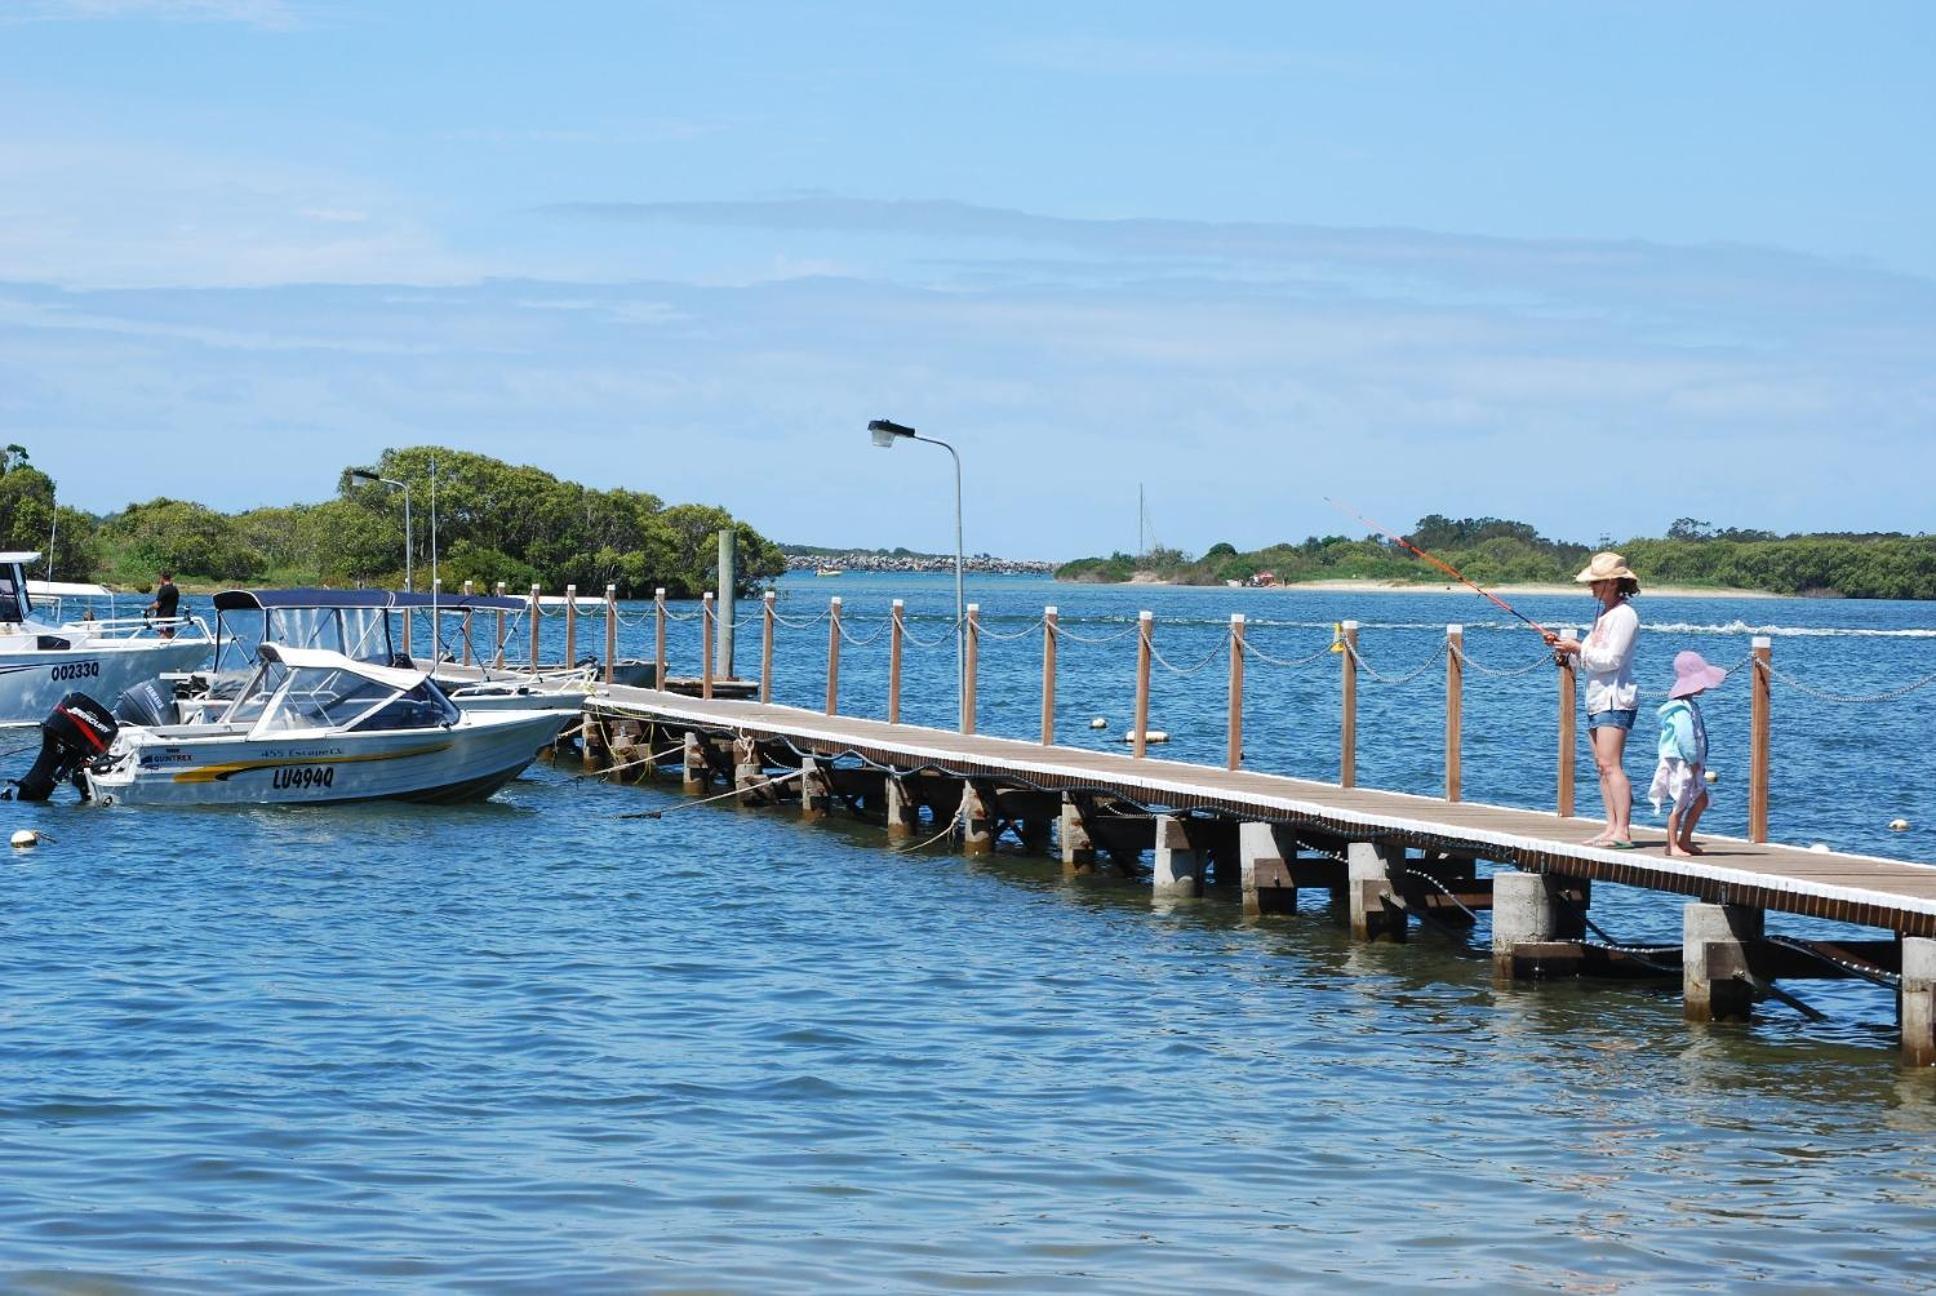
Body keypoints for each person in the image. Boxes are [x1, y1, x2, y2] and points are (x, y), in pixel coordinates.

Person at [1544, 552, 1641, 847]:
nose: (1591, 588)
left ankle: (1623, 830)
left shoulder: (1625, 615)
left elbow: (1611, 659)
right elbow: (1589, 658)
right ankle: (1611, 827)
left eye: (1596, 583)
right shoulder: (1603, 616)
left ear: (1612, 583)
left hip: (1615, 699)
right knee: (1601, 765)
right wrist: (1566, 651)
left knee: (1611, 764)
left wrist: (1577, 648)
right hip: (1596, 699)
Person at [1651, 650, 1727, 857]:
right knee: (1681, 802)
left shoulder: (1691, 707)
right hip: (1683, 762)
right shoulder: (1680, 711)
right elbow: (1685, 738)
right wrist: (1693, 761)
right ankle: (1672, 844)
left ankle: (1684, 840)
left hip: (1694, 763)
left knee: (1700, 800)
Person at [147, 571, 180, 639]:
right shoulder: (175, 589)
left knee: (163, 636)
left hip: (163, 618)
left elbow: (157, 605)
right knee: (170, 635)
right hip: (172, 617)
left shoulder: (163, 589)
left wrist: (149, 608)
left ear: (162, 578)